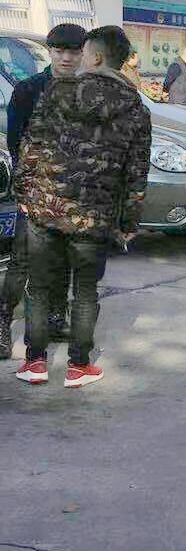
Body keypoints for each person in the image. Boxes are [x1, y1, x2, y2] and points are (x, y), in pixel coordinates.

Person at [14, 25, 151, 387]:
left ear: (96, 57)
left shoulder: (59, 90)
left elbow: (31, 147)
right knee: (86, 292)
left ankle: (35, 363)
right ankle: (78, 367)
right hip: (94, 215)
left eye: (84, 52)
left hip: (46, 209)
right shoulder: (136, 107)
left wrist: (24, 195)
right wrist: (128, 222)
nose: (76, 58)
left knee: (39, 288)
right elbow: (136, 173)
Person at [0, 24, 86, 361]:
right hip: (36, 191)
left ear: (82, 54)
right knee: (22, 262)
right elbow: (16, 144)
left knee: (64, 259)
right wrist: (25, 192)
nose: (66, 58)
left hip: (74, 193)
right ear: (49, 52)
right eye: (59, 51)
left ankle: (55, 319)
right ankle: (2, 325)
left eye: (73, 52)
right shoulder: (28, 90)